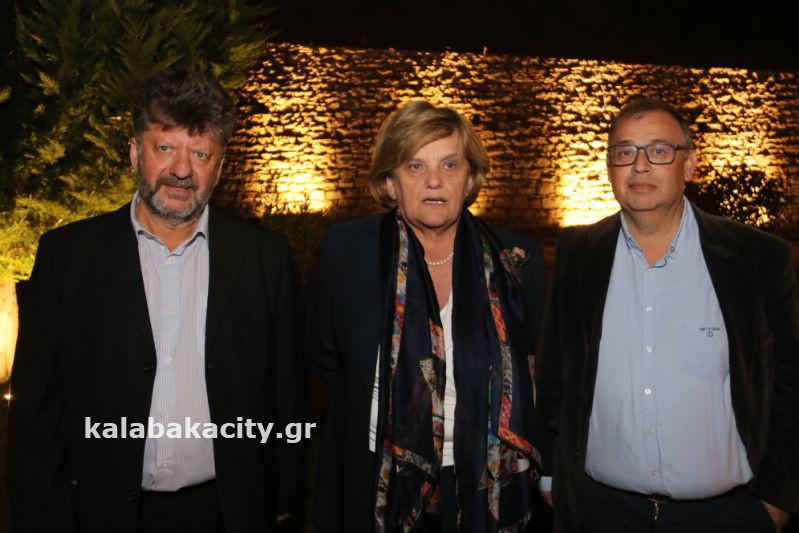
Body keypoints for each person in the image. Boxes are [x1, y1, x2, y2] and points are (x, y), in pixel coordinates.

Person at [8, 69, 303, 532]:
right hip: (100, 515)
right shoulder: (68, 257)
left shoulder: (265, 258)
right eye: (164, 148)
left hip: (225, 513)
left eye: (200, 154)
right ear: (134, 153)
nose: (181, 170)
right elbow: (35, 412)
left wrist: (283, 498)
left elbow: (286, 390)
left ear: (219, 167)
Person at [536, 97, 799, 532]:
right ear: (610, 167)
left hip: (729, 517)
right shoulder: (577, 255)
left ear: (688, 164)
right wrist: (549, 473)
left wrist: (779, 499)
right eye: (625, 152)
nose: (640, 165)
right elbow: (554, 376)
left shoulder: (756, 258)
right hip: (602, 512)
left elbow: (789, 382)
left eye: (659, 150)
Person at [306, 100, 546, 532]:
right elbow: (324, 356)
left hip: (482, 487)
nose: (434, 180)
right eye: (415, 166)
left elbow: (541, 372)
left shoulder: (516, 261)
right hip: (375, 479)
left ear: (469, 179)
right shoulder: (348, 251)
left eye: (449, 164)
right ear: (390, 182)